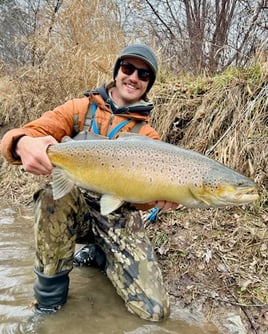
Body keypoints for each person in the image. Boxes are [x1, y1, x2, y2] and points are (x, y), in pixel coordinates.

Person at [1, 44, 177, 321]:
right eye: (128, 68)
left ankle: (99, 253)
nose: (133, 77)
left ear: (148, 84)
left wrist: (159, 198)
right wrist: (22, 143)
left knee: (155, 312)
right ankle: (49, 302)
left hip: (117, 217)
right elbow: (21, 134)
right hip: (73, 206)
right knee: (50, 198)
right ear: (117, 71)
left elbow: (141, 203)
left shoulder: (149, 136)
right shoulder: (78, 110)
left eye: (143, 74)